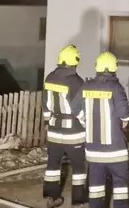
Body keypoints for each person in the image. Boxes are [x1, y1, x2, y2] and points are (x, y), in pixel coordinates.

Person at [77, 52, 129, 208]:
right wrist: (124, 121)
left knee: (96, 188)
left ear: (97, 67)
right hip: (116, 151)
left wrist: (87, 123)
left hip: (94, 152)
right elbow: (125, 114)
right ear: (115, 68)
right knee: (120, 187)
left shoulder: (86, 86)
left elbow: (76, 110)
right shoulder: (116, 87)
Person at [42, 45, 87, 208]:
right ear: (76, 60)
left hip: (54, 130)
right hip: (74, 132)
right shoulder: (77, 82)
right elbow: (80, 109)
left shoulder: (49, 78)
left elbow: (45, 104)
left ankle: (52, 197)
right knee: (79, 167)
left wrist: (47, 122)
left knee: (53, 165)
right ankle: (78, 200)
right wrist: (87, 126)